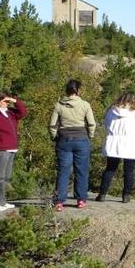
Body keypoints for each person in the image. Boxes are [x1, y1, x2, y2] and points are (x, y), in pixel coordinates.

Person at [49, 79, 96, 211]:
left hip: (64, 139)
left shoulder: (59, 105)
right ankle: (81, 199)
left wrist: (54, 137)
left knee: (63, 171)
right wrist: (90, 136)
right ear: (78, 90)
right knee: (81, 170)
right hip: (81, 139)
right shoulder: (85, 105)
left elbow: (53, 125)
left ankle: (59, 201)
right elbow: (92, 124)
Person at [96, 91, 135, 204]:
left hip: (114, 143)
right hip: (131, 144)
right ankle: (126, 195)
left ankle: (102, 194)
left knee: (110, 169)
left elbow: (106, 124)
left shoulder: (111, 111)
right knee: (129, 171)